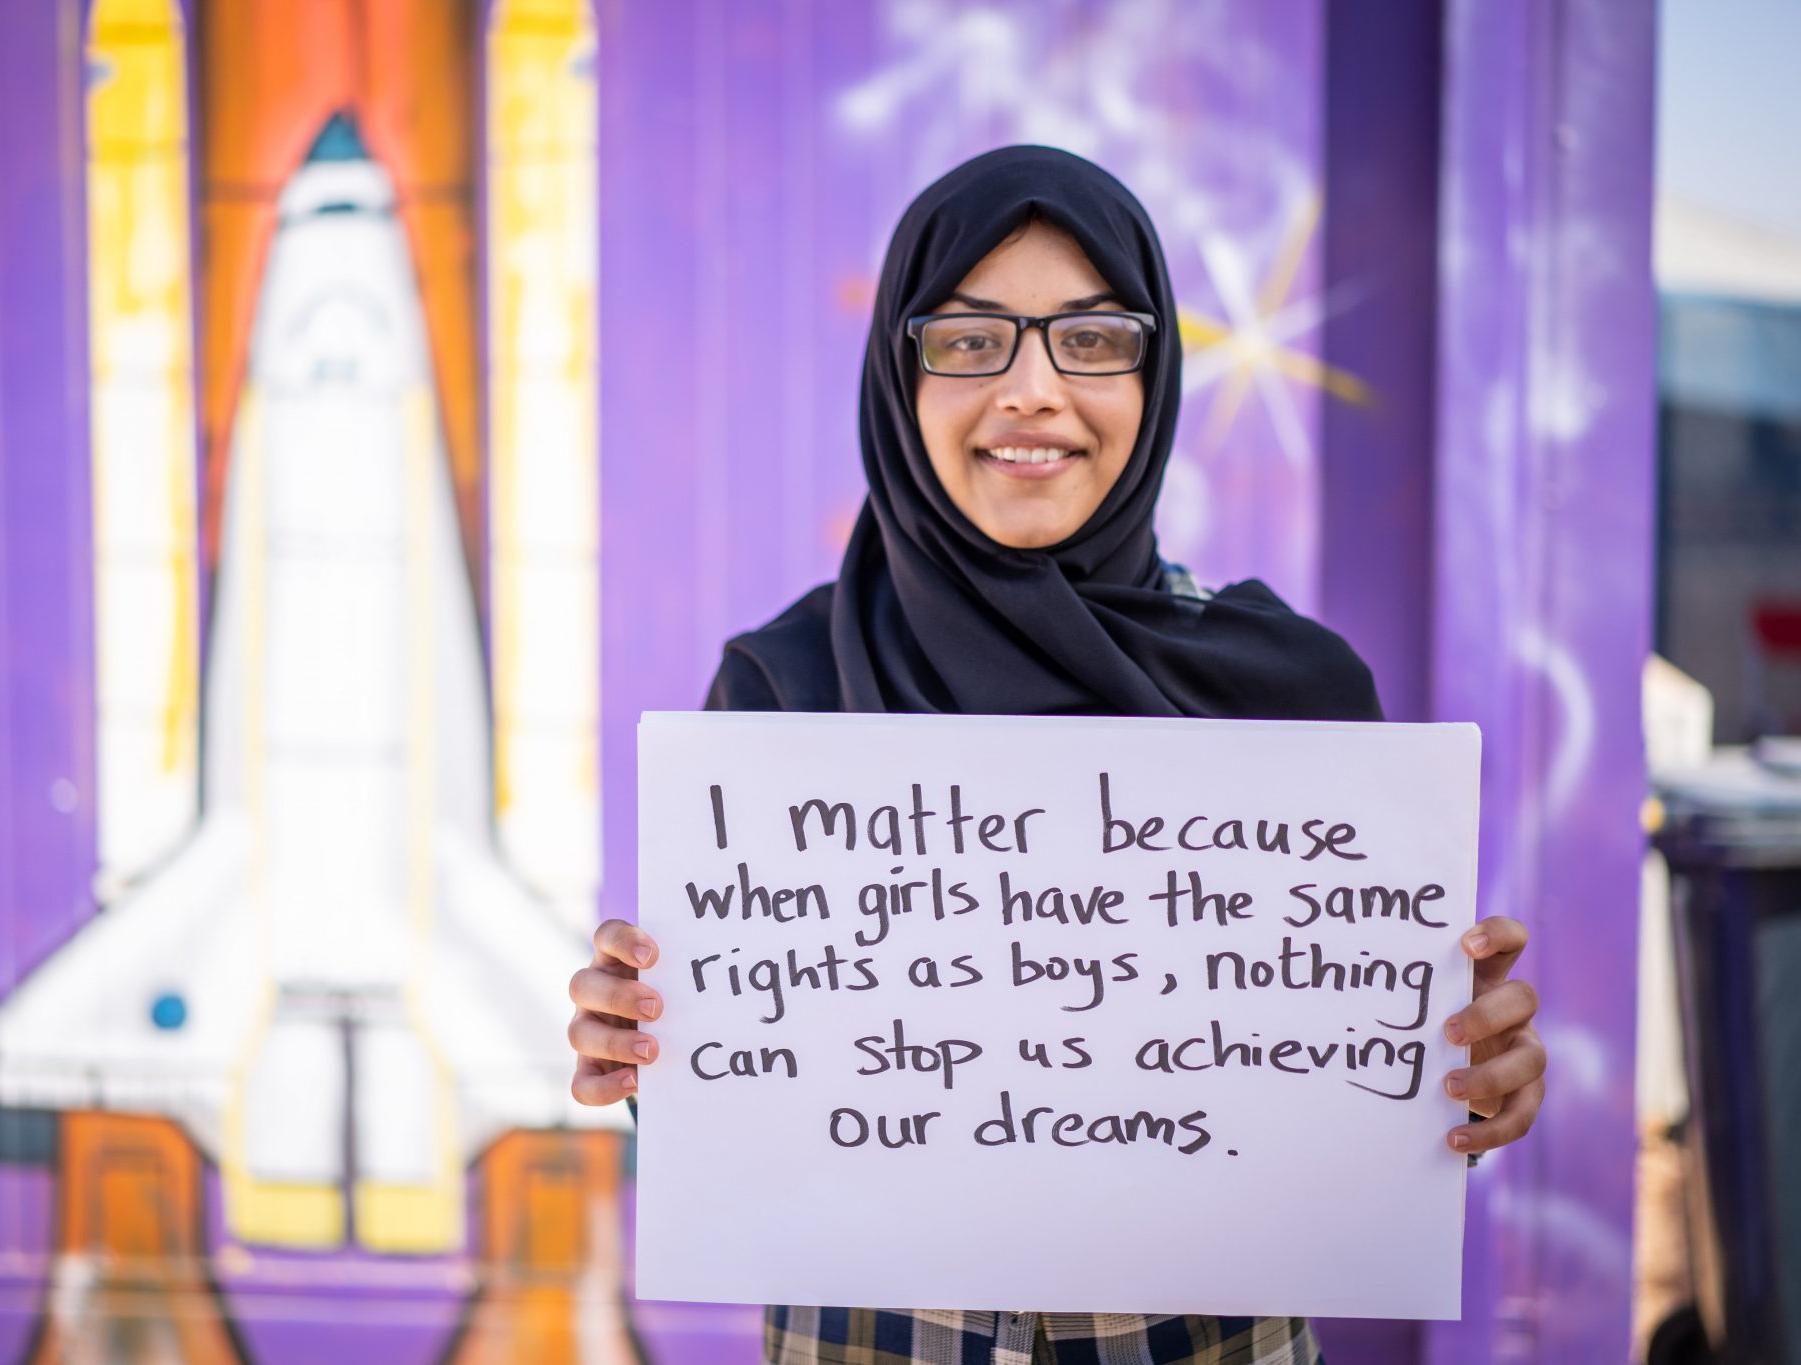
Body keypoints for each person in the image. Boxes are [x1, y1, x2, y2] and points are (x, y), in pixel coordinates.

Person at [567, 145, 1547, 1365]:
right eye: (970, 339)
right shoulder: (781, 692)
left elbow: (1364, 1086)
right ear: (895, 373)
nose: (1031, 390)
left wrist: (1467, 1071)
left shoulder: (1291, 698)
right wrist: (645, 1048)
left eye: (1091, 339)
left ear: (1155, 376)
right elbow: (751, 1092)